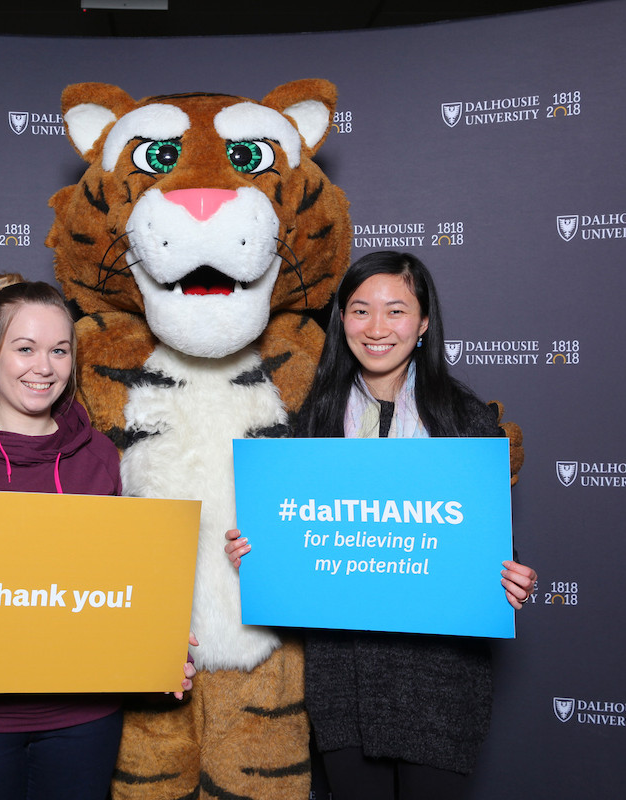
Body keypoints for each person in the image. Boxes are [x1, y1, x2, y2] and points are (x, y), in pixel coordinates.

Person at [225, 251, 537, 799]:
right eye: (359, 310)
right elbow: (300, 547)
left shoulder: (470, 423)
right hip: (343, 683)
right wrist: (259, 554)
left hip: (441, 684)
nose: (375, 328)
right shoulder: (312, 425)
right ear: (341, 320)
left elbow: (481, 552)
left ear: (422, 325)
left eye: (395, 311)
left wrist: (510, 580)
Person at [0, 274, 195, 800]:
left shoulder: (99, 457)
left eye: (59, 351)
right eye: (24, 348)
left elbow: (119, 578)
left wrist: (155, 639)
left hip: (83, 721)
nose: (43, 367)